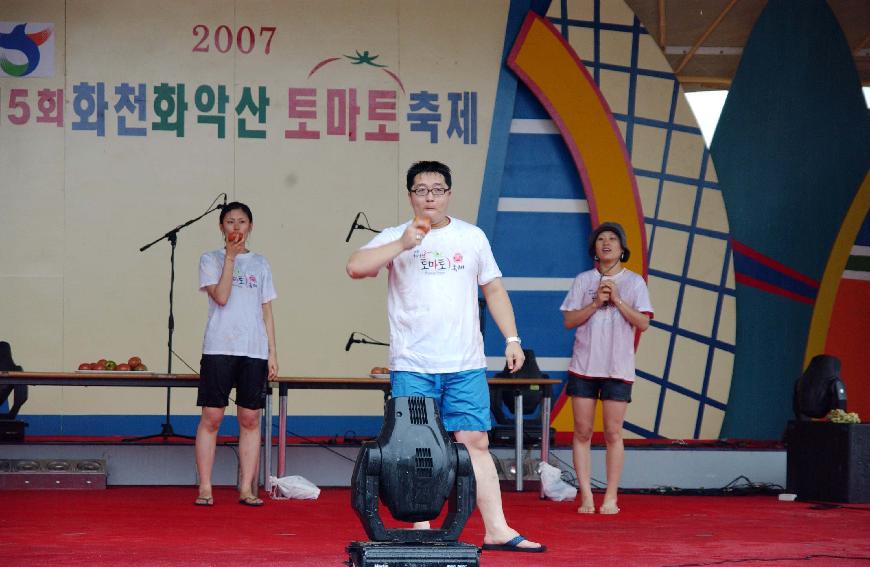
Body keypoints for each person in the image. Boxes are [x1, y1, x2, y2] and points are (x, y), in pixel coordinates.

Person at [346, 161, 545, 553]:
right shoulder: (394, 237)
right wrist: (403, 243)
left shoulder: (471, 237)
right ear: (410, 196)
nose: (430, 196)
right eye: (421, 190)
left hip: (464, 363)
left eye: (437, 189)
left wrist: (512, 339)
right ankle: (421, 527)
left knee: (475, 442)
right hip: (414, 364)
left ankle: (497, 529)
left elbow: (495, 290)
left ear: (449, 193)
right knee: (419, 447)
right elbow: (355, 267)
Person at [560, 221, 652, 515]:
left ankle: (611, 496)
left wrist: (617, 299)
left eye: (613, 239)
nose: (607, 243)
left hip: (618, 368)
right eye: (601, 239)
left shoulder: (635, 282)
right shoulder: (583, 280)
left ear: (622, 248)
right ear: (594, 249)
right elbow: (569, 321)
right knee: (583, 431)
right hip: (584, 366)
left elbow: (644, 323)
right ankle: (586, 495)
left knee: (612, 432)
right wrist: (596, 303)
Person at [194, 202, 278, 507]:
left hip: (253, 349)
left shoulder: (261, 264)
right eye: (230, 222)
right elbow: (222, 296)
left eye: (242, 222)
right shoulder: (210, 259)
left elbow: (266, 310)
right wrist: (230, 258)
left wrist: (272, 351)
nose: (236, 227)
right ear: (221, 227)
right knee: (212, 416)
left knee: (250, 417)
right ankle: (205, 487)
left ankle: (246, 488)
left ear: (251, 226)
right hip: (219, 346)